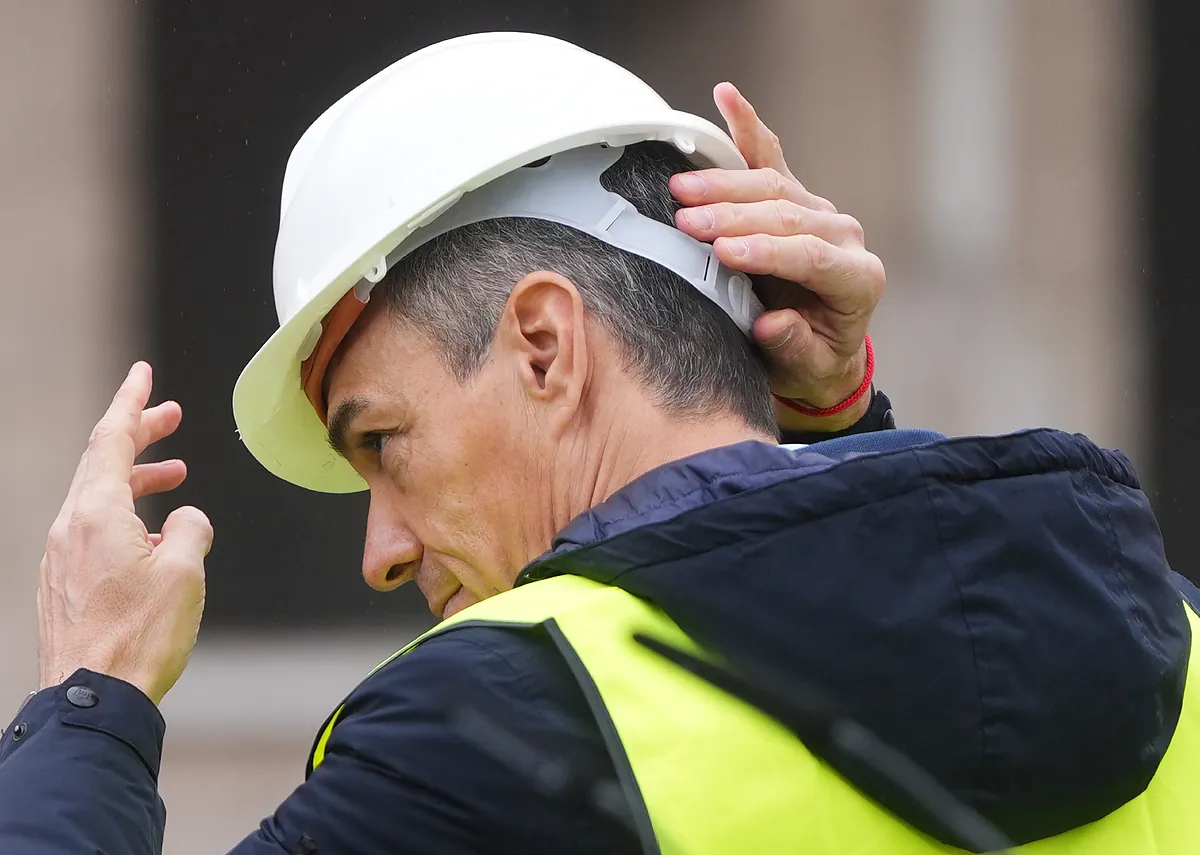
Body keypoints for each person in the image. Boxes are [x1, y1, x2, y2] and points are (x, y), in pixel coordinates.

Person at [2, 31, 1197, 855]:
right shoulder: (1161, 631)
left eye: (384, 440)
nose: (379, 548)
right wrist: (836, 446)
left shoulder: (495, 725)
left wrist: (89, 697)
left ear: (541, 344)